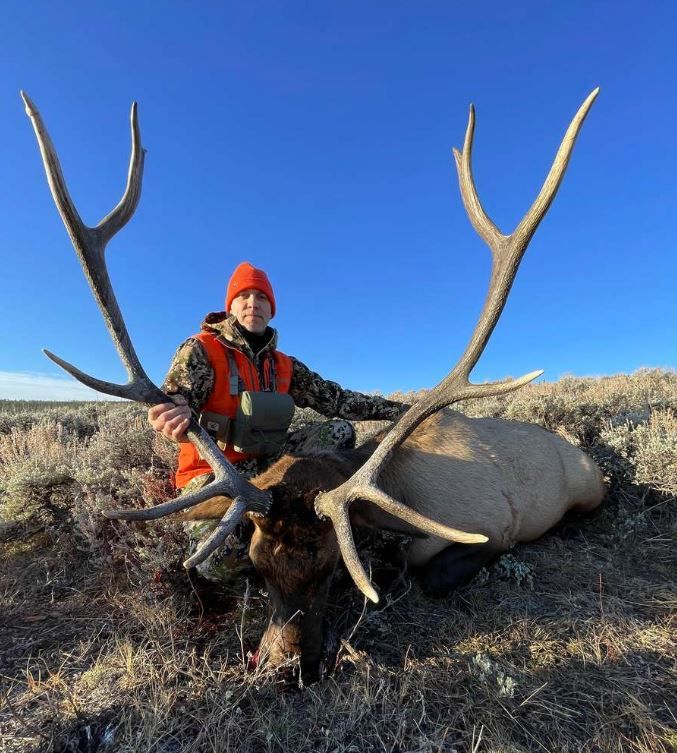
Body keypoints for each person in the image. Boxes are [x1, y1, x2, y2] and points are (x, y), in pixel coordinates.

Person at [148, 262, 408, 587]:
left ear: (272, 309)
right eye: (242, 296)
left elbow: (335, 398)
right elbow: (174, 397)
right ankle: (297, 552)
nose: (252, 303)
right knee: (218, 562)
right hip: (213, 473)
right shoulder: (200, 350)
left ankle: (315, 518)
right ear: (231, 306)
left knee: (339, 431)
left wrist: (400, 411)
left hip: (271, 464)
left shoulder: (284, 365)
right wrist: (170, 412)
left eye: (261, 297)